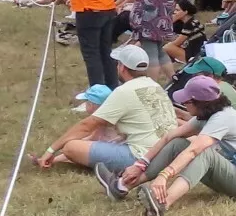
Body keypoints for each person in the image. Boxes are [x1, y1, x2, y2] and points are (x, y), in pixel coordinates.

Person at [96, 74, 236, 216]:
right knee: (178, 143)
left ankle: (162, 204)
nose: (183, 104)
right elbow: (169, 137)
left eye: (186, 101)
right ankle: (121, 186)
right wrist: (140, 164)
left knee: (203, 153)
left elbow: (195, 150)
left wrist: (165, 175)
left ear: (199, 103)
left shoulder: (222, 119)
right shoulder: (209, 114)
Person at [35, 46, 176, 174]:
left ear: (122, 67)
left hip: (142, 157)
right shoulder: (156, 86)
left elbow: (87, 125)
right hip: (167, 153)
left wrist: (51, 149)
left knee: (71, 147)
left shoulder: (124, 91)